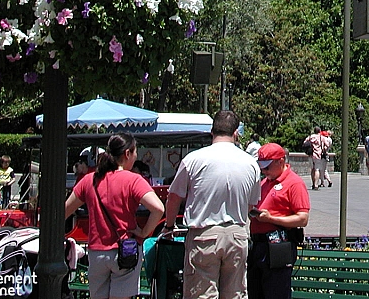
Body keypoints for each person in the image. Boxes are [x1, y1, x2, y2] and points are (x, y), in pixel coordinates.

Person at [164, 110, 261, 299]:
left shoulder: (194, 159)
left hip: (204, 235)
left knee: (201, 294)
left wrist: (169, 226)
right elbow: (250, 206)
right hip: (236, 234)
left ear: (212, 132)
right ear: (236, 134)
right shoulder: (250, 164)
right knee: (235, 294)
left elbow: (174, 197)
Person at [64, 133, 164, 299]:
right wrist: (144, 232)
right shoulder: (134, 180)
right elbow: (158, 209)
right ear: (127, 154)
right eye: (135, 152)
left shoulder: (89, 180)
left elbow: (64, 211)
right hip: (125, 251)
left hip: (96, 252)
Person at [247, 143, 310, 299]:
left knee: (276, 292)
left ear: (280, 161)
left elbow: (302, 218)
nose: (264, 171)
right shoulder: (264, 183)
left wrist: (271, 219)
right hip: (258, 246)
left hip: (278, 246)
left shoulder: (294, 183)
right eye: (262, 167)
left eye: (267, 167)